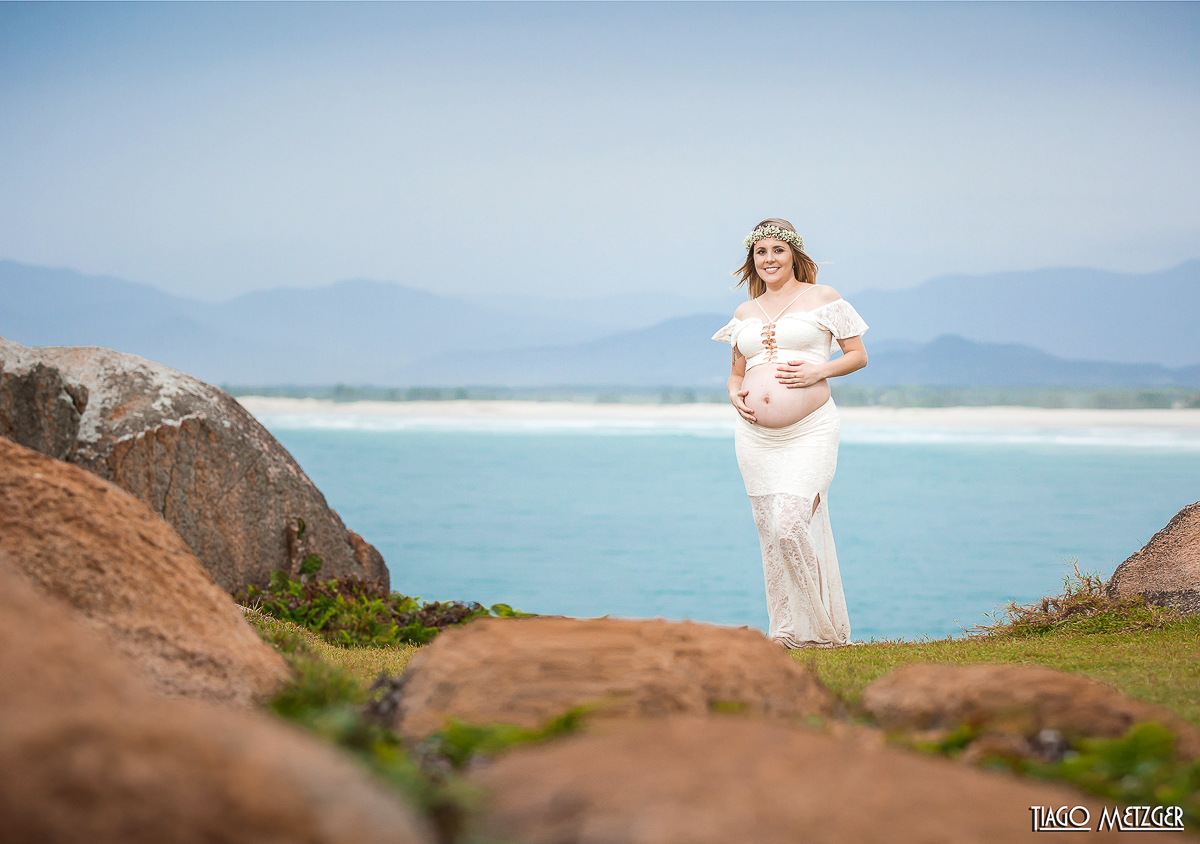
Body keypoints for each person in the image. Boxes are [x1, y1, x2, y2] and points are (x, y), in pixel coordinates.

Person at [712, 218, 868, 648]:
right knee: (770, 534)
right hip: (756, 439)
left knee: (789, 524)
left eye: (777, 250)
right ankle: (784, 630)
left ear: (794, 254)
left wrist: (819, 369)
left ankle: (821, 630)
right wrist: (733, 394)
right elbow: (735, 374)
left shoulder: (823, 297)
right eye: (760, 252)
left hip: (810, 430)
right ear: (752, 259)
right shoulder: (745, 312)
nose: (768, 259)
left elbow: (857, 356)